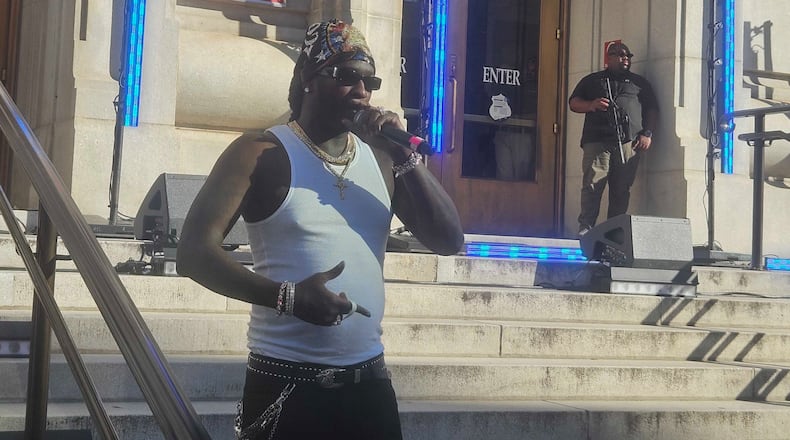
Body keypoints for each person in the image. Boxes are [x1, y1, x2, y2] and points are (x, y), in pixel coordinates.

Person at [176, 19, 463, 440]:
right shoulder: (260, 153)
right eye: (346, 77)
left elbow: (449, 241)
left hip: (369, 386)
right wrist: (288, 297)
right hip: (287, 384)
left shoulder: (384, 161)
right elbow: (193, 253)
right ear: (308, 80)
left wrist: (404, 155)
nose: (362, 92)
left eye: (370, 80)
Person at [569, 41, 659, 236]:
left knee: (621, 189)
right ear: (608, 58)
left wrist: (648, 134)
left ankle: (614, 232)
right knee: (593, 184)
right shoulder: (593, 80)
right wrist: (591, 104)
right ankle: (586, 228)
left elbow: (652, 109)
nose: (624, 58)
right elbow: (574, 103)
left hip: (628, 142)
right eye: (619, 54)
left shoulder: (639, 83)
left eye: (627, 55)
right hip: (598, 141)